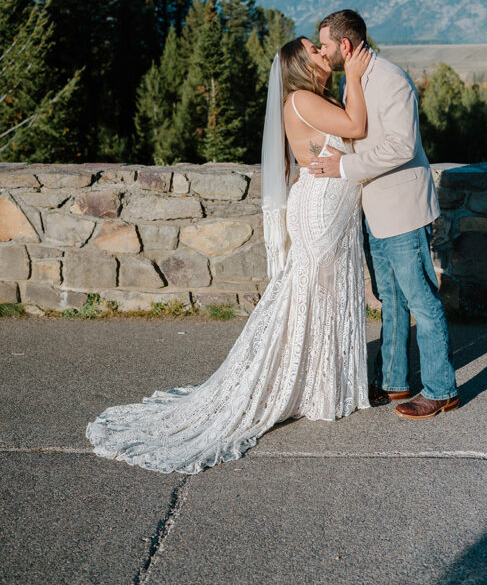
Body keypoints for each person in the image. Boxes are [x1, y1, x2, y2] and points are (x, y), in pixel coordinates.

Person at [85, 37, 371, 473]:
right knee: (311, 293)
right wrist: (354, 74)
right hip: (319, 210)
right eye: (314, 48)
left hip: (333, 209)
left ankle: (321, 384)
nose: (321, 51)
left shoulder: (314, 98)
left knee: (324, 295)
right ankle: (307, 385)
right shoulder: (302, 99)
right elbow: (356, 127)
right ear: (299, 65)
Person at [313, 9, 458, 419]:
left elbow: (400, 147)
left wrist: (343, 168)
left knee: (421, 301)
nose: (322, 51)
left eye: (324, 44)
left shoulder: (391, 79)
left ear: (344, 44)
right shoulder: (355, 78)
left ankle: (441, 389)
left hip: (401, 209)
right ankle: (394, 381)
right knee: (390, 299)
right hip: (373, 210)